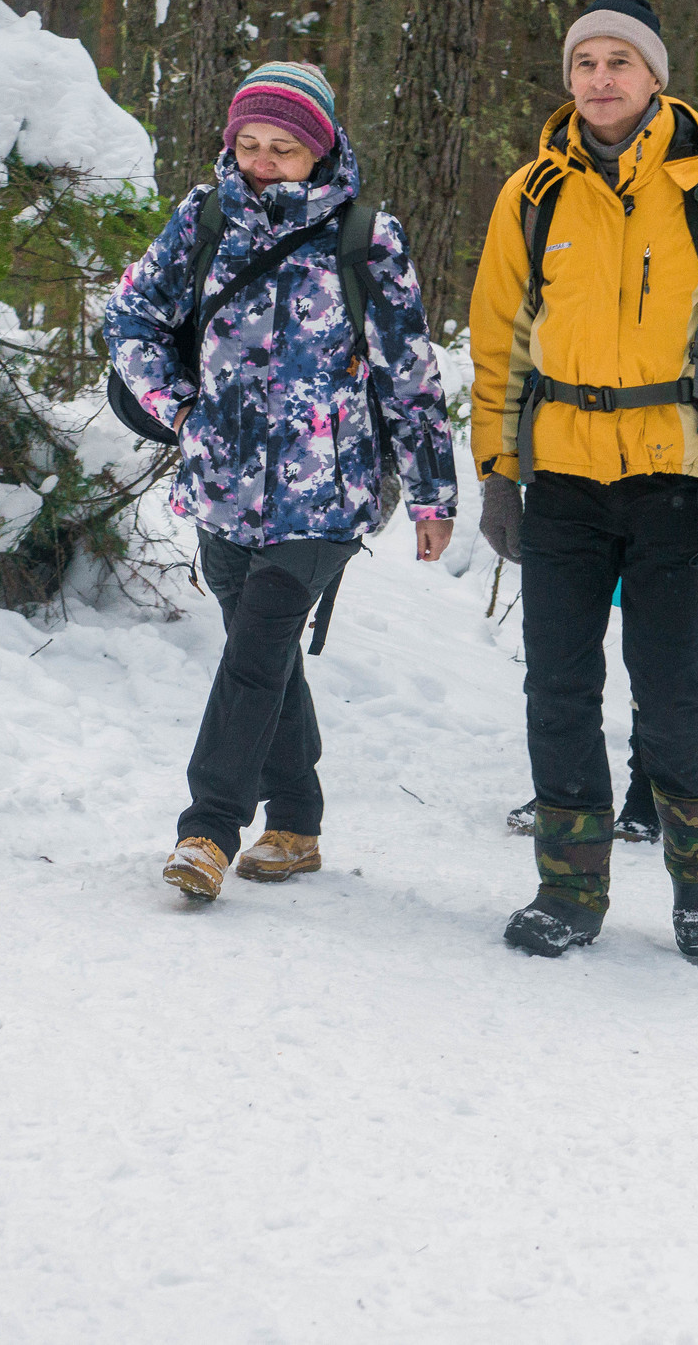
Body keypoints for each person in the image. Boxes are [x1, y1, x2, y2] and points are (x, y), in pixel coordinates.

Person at [468, 0, 698, 960]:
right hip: (565, 483)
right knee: (557, 689)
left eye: (620, 61)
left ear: (655, 76)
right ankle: (569, 886)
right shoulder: (532, 193)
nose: (601, 79)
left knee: (670, 697)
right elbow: (497, 344)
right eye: (586, 63)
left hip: (679, 479)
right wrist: (498, 469)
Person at [106, 62, 459, 900]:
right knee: (258, 652)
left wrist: (432, 492)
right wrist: (179, 408)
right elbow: (131, 317)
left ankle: (207, 829)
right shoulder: (204, 216)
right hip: (221, 482)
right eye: (251, 144)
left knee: (260, 642)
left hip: (326, 492)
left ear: (322, 148)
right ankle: (297, 816)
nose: (264, 161)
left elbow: (408, 371)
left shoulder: (366, 236)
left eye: (285, 147)